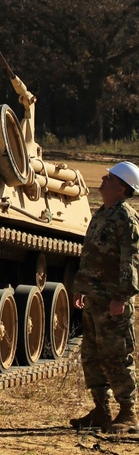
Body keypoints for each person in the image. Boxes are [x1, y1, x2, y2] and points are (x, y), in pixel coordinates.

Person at [70, 159, 139, 432]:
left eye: (109, 179)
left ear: (122, 189)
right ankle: (101, 410)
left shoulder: (126, 219)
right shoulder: (102, 213)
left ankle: (128, 413)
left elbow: (131, 261)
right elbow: (90, 256)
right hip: (95, 299)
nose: (103, 179)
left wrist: (121, 298)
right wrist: (80, 287)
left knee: (117, 355)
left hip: (113, 302)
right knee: (93, 355)